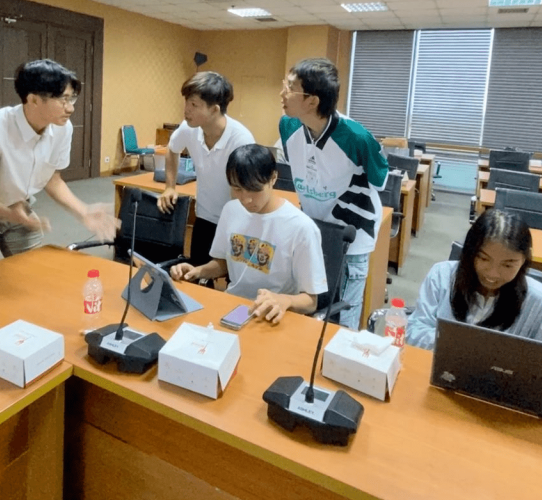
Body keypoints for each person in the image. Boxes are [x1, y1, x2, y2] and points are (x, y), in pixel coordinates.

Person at [0, 59, 116, 270]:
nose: (71, 108)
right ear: (33, 99)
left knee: (34, 270)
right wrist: (10, 214)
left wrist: (83, 211)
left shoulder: (63, 129)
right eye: (63, 100)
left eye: (72, 98)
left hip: (20, 205)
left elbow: (53, 180)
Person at [278, 58, 388, 330]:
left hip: (351, 237)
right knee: (309, 305)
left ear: (312, 101)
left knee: (343, 319)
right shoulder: (288, 126)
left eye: (290, 88)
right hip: (314, 229)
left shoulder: (356, 137)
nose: (282, 93)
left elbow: (380, 180)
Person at [169, 144, 327, 324]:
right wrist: (198, 271)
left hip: (272, 317)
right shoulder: (231, 210)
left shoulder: (301, 228)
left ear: (273, 178)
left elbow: (311, 302)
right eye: (237, 189)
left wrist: (285, 300)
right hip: (235, 308)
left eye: (254, 189)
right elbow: (223, 264)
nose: (246, 199)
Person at [407, 209, 542, 351]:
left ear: (524, 260)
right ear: (471, 252)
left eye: (507, 265)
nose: (493, 273)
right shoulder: (442, 276)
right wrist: (466, 348)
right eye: (483, 259)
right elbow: (415, 330)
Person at [158, 72, 255, 266]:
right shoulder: (188, 128)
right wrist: (170, 187)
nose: (186, 109)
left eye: (194, 104)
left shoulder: (241, 140)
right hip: (204, 216)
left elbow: (246, 191)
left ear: (214, 109)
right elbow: (172, 150)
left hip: (237, 222)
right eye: (186, 102)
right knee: (198, 273)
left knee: (232, 278)